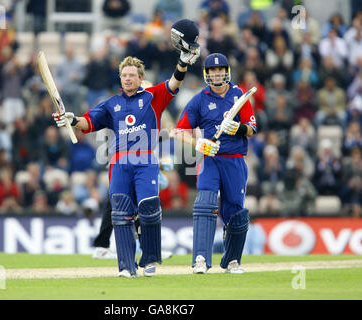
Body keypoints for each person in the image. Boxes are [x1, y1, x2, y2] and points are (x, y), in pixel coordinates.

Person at [52, 19, 200, 277]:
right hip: (119, 163)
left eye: (132, 75)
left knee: (149, 210)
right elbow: (87, 123)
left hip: (145, 161)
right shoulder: (110, 104)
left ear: (141, 78)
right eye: (124, 75)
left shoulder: (153, 97)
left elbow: (175, 82)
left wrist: (184, 62)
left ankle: (150, 259)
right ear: (120, 78)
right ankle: (126, 267)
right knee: (120, 214)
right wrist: (71, 119)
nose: (128, 78)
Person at [173, 53, 257, 274]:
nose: (217, 73)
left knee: (235, 213)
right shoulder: (200, 99)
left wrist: (238, 128)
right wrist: (197, 143)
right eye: (213, 70)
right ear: (207, 74)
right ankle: (200, 259)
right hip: (211, 160)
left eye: (221, 70)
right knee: (204, 205)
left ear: (227, 72)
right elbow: (179, 130)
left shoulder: (239, 95)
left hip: (235, 162)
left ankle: (232, 261)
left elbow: (252, 128)